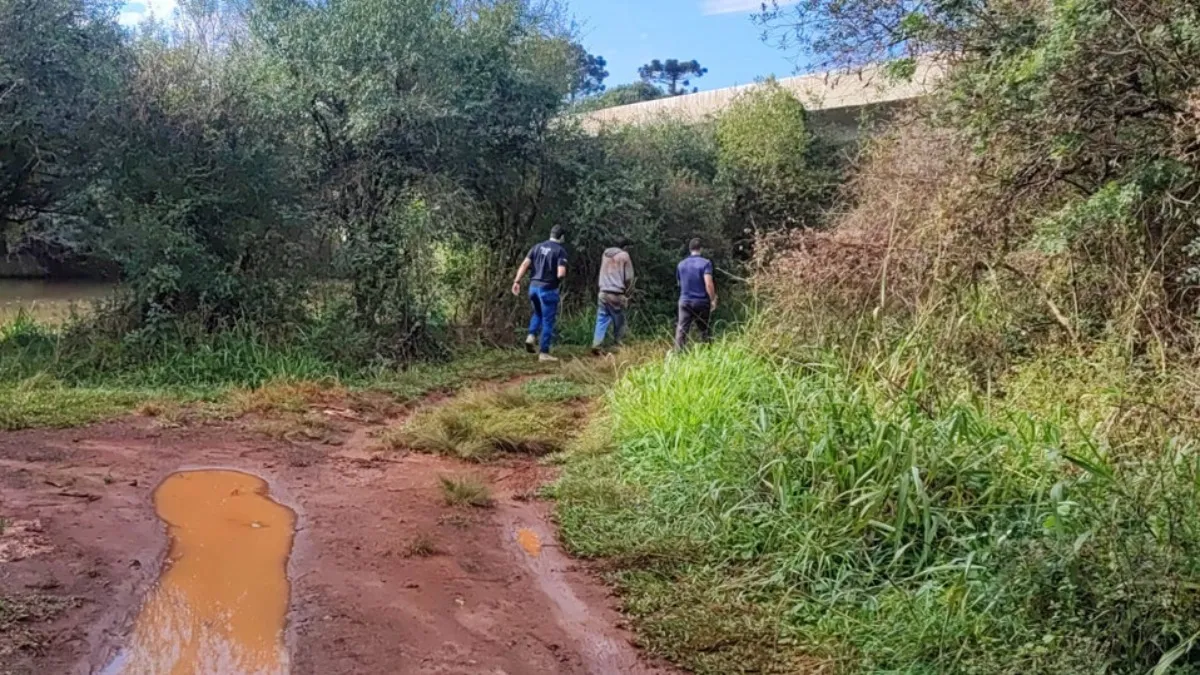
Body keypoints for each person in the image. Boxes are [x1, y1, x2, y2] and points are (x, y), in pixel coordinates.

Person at [512, 225, 568, 362]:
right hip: (548, 289)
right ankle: (544, 353)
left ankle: (531, 336)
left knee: (538, 313)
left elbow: (525, 264)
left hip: (533, 288)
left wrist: (517, 281)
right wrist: (558, 279)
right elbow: (561, 273)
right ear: (561, 237)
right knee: (548, 321)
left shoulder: (536, 247)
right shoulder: (560, 251)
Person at [591, 237, 635, 356]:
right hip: (616, 293)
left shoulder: (605, 254)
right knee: (619, 320)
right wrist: (628, 291)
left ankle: (597, 343)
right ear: (625, 247)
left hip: (603, 292)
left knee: (601, 318)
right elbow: (629, 278)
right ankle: (617, 343)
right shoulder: (624, 256)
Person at [674, 238, 717, 351]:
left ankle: (677, 355)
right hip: (701, 301)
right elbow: (708, 283)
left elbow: (679, 283)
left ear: (690, 249)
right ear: (701, 249)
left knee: (681, 330)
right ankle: (708, 352)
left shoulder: (681, 264)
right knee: (704, 330)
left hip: (685, 301)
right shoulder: (706, 263)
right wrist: (713, 299)